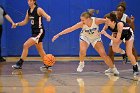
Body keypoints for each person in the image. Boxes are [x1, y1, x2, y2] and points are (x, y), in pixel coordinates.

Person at [52, 9, 119, 75]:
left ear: (88, 19)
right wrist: (58, 34)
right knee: (82, 50)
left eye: (83, 20)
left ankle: (113, 68)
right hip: (85, 37)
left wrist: (108, 28)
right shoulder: (81, 24)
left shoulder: (96, 21)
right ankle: (81, 63)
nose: (81, 21)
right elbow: (70, 29)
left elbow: (108, 21)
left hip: (95, 38)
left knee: (103, 54)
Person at [12, 0, 52, 71]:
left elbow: (47, 15)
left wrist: (48, 17)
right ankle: (47, 63)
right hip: (34, 32)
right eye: (28, 1)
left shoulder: (38, 9)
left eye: (30, 1)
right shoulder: (28, 11)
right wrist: (16, 24)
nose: (29, 2)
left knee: (25, 45)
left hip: (40, 32)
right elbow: (24, 22)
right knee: (40, 49)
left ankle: (19, 64)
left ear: (34, 1)